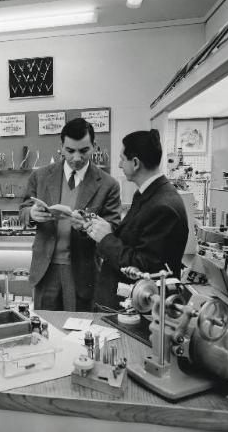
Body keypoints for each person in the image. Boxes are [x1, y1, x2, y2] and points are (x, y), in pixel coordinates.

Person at [20, 118, 121, 311]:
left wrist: (88, 226)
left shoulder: (108, 185)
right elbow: (23, 209)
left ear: (94, 146)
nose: (76, 158)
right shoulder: (40, 176)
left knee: (79, 331)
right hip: (45, 270)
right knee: (45, 329)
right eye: (70, 151)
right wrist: (31, 214)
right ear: (61, 147)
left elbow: (113, 228)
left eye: (83, 151)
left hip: (83, 272)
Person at [84, 129, 189, 308]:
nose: (119, 165)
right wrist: (103, 229)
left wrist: (106, 239)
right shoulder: (148, 194)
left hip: (136, 307)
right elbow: (134, 240)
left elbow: (144, 267)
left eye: (122, 159)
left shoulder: (162, 206)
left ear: (135, 163)